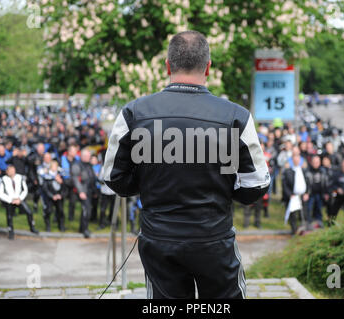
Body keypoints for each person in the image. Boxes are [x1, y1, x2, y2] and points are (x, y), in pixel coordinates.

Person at [103, 31, 270, 299]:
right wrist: (225, 191)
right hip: (213, 236)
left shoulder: (133, 113)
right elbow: (256, 184)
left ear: (168, 66)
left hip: (159, 238)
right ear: (208, 67)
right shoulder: (236, 116)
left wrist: (148, 185)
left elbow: (114, 178)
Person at [0, 165, 39, 239]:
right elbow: (0, 193)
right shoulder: (3, 179)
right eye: (9, 170)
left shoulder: (20, 177)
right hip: (10, 200)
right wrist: (11, 200)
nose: (11, 172)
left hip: (19, 199)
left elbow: (25, 190)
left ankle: (32, 227)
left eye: (13, 170)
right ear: (7, 171)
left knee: (29, 212)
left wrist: (20, 199)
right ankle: (11, 231)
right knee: (9, 216)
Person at [282, 153, 310, 235]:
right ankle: (294, 231)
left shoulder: (304, 171)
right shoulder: (288, 171)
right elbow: (285, 185)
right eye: (295, 159)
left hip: (303, 196)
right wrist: (290, 195)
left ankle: (303, 231)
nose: (296, 160)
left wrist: (307, 193)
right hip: (293, 196)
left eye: (298, 159)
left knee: (303, 214)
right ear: (292, 160)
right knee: (293, 215)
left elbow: (308, 183)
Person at [71, 148, 96, 238]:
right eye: (85, 156)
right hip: (82, 191)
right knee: (87, 210)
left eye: (88, 156)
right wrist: (81, 191)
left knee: (86, 210)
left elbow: (92, 177)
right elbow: (75, 179)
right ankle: (85, 230)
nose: (87, 157)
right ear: (81, 156)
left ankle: (82, 228)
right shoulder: (77, 165)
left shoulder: (89, 165)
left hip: (89, 191)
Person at [41, 160, 65, 232]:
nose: (54, 168)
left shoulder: (60, 175)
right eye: (53, 166)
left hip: (59, 196)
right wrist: (52, 196)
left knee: (60, 211)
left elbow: (65, 187)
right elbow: (45, 188)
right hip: (50, 197)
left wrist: (61, 182)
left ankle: (61, 226)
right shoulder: (46, 176)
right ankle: (48, 226)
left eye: (56, 166)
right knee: (48, 211)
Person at [305, 155, 328, 228]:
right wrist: (306, 193)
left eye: (317, 162)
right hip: (310, 193)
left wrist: (326, 193)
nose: (315, 164)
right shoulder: (307, 171)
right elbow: (305, 183)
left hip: (320, 193)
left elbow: (325, 183)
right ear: (311, 162)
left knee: (319, 207)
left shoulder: (323, 171)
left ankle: (319, 222)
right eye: (314, 162)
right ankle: (308, 223)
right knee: (309, 207)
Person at [61, 144, 79, 221]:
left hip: (73, 184)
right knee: (60, 201)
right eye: (73, 151)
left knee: (73, 202)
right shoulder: (62, 159)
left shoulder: (78, 160)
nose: (75, 153)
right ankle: (58, 216)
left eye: (76, 151)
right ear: (69, 152)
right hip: (63, 183)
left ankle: (70, 217)